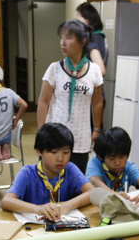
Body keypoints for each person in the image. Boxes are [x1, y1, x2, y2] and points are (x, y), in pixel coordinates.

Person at [37, 20, 104, 173]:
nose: (63, 42)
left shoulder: (94, 70)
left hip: (81, 138)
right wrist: (41, 133)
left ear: (82, 42)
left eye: (68, 37)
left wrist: (97, 129)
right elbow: (43, 102)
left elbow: (97, 102)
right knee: (50, 181)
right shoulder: (54, 68)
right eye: (62, 37)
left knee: (76, 182)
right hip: (54, 137)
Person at [1, 123, 94, 221]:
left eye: (66, 152)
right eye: (54, 152)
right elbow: (6, 201)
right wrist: (37, 209)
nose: (60, 158)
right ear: (39, 151)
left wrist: (67, 205)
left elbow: (92, 192)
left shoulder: (70, 169)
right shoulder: (27, 173)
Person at [86, 127, 139, 208]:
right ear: (101, 157)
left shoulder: (128, 166)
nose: (117, 163)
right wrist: (114, 195)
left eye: (122, 157)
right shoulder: (95, 163)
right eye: (111, 158)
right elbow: (95, 181)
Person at [76, 2, 108, 133]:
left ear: (88, 19)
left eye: (79, 19)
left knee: (90, 136)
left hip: (91, 97)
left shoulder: (92, 40)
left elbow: (101, 69)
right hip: (97, 95)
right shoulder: (100, 37)